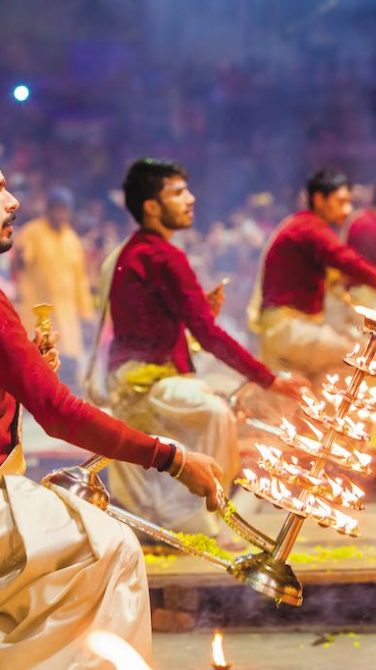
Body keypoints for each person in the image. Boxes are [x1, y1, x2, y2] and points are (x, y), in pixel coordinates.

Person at [0, 167, 225, 668]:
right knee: (115, 549)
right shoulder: (150, 253)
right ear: (151, 205)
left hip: (124, 379)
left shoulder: (126, 253)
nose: (14, 200)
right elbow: (59, 413)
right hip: (128, 393)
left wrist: (22, 366)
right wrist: (171, 457)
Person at [100, 158, 304, 538]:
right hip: (143, 384)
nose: (190, 199)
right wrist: (270, 380)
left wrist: (194, 316)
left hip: (143, 376)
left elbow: (158, 327)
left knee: (217, 404)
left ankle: (197, 511)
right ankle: (202, 516)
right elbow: (208, 336)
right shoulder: (161, 255)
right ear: (151, 206)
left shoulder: (138, 252)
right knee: (215, 413)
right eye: (178, 193)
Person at [250, 168, 376, 378]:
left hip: (294, 329)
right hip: (289, 330)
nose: (347, 209)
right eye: (340, 202)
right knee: (361, 356)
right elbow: (346, 260)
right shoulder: (309, 228)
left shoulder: (305, 225)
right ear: (319, 199)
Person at [12, 186, 94, 389]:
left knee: (68, 364)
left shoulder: (72, 240)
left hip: (67, 317)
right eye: (56, 209)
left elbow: (80, 280)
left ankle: (68, 407)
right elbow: (22, 261)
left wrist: (86, 313)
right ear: (48, 210)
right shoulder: (32, 232)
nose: (60, 214)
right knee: (37, 361)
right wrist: (21, 258)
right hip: (38, 313)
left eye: (64, 209)